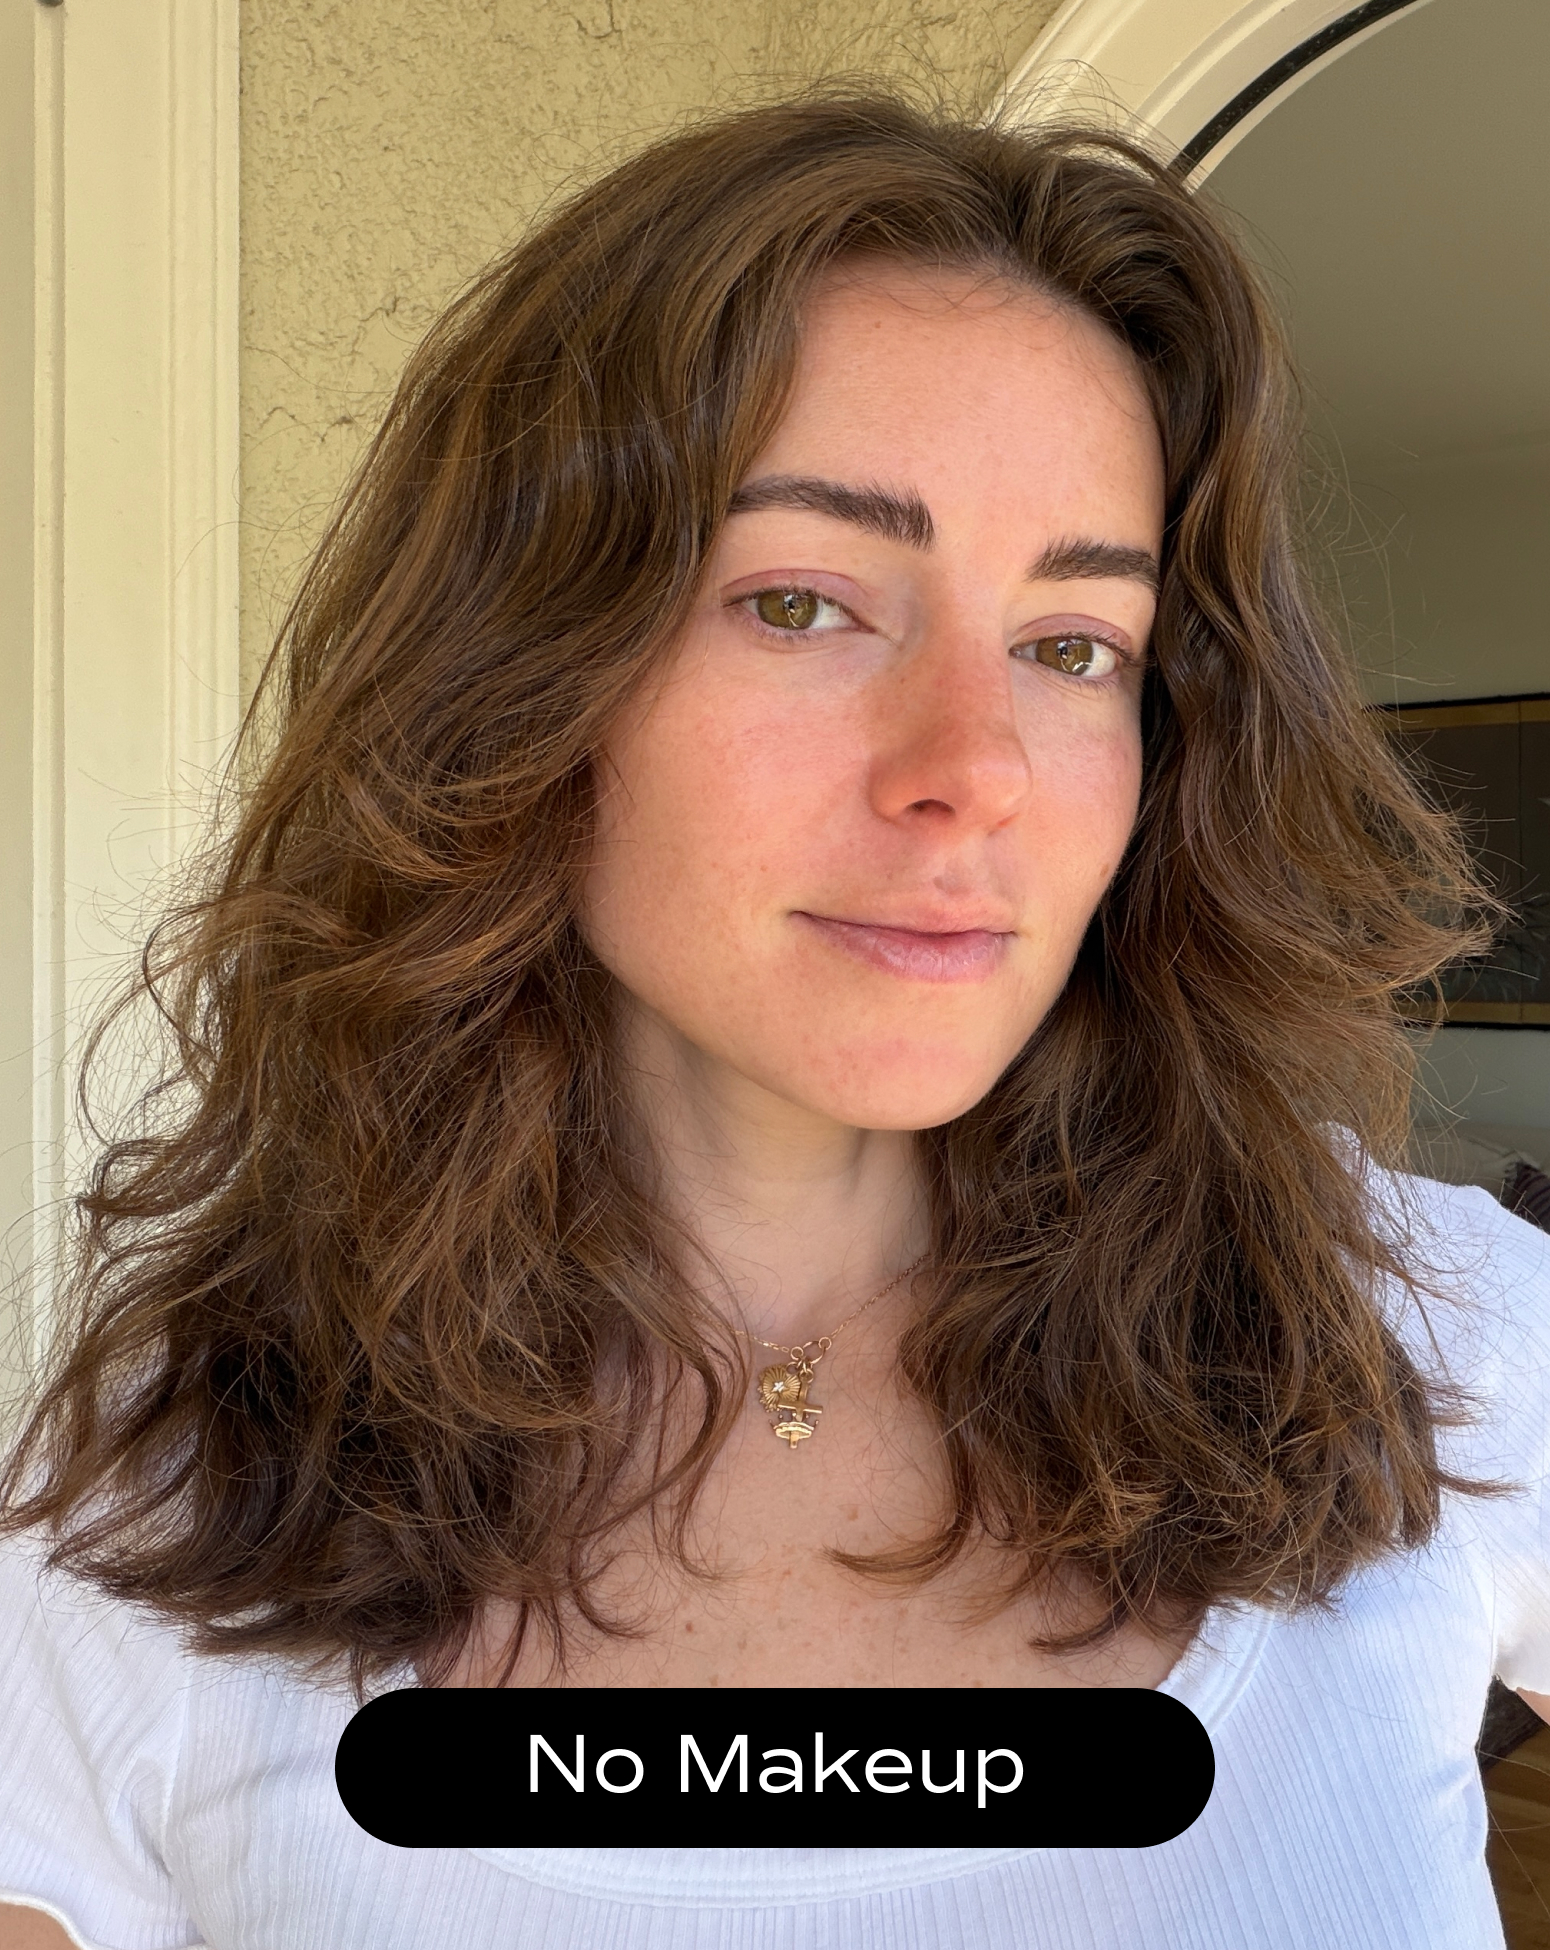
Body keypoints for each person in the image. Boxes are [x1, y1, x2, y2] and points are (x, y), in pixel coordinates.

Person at [1, 87, 1546, 1950]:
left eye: (1073, 645)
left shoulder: (1429, 1338)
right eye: (805, 602)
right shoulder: (172, 1492)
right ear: (524, 686)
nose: (969, 771)